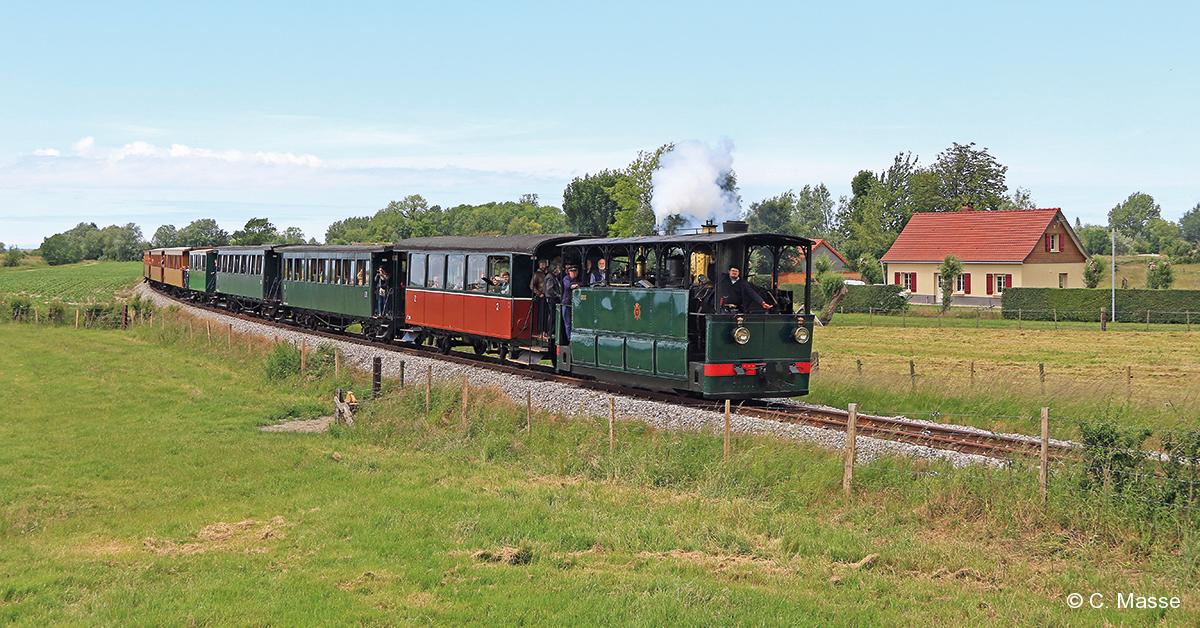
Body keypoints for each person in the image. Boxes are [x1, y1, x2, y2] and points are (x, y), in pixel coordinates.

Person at [543, 262, 562, 339]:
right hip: (552, 299)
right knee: (552, 315)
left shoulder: (554, 277)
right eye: (558, 269)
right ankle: (550, 332)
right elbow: (549, 290)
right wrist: (558, 295)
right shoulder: (550, 277)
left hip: (553, 299)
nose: (559, 270)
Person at [530, 259, 547, 336]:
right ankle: (541, 331)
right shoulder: (537, 274)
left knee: (546, 314)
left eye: (544, 264)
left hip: (548, 296)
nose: (543, 265)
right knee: (541, 314)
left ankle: (545, 330)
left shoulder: (547, 273)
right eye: (542, 264)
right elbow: (531, 286)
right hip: (541, 297)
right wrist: (539, 293)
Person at [561, 266, 579, 340]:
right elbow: (568, 285)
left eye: (575, 271)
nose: (573, 273)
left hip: (575, 304)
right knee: (568, 323)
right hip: (566, 304)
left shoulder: (577, 279)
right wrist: (575, 285)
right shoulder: (566, 278)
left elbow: (581, 284)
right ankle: (569, 339)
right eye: (572, 271)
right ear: (569, 272)